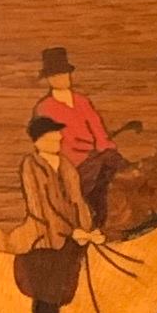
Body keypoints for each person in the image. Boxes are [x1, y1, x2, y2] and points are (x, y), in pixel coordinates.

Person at [4, 108, 98, 313]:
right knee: (45, 308)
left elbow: (78, 200)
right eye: (52, 134)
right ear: (39, 140)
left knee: (66, 303)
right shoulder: (31, 166)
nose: (58, 138)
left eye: (58, 134)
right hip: (46, 242)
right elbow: (41, 208)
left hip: (72, 240)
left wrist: (88, 230)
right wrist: (72, 232)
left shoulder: (66, 166)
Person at [34, 45, 125, 222]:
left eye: (65, 73)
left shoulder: (82, 102)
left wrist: (106, 150)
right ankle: (96, 221)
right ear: (49, 79)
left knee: (116, 166)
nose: (63, 78)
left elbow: (99, 132)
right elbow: (49, 144)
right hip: (72, 164)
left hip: (96, 158)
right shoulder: (45, 108)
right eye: (57, 75)